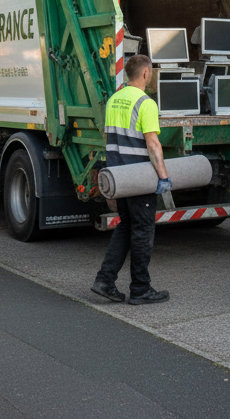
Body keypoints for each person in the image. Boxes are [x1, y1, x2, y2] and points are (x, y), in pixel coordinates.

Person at [92, 54, 173, 305]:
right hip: (138, 177)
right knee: (142, 230)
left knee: (126, 227)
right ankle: (140, 288)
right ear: (146, 74)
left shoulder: (114, 100)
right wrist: (163, 177)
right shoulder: (146, 103)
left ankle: (105, 280)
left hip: (119, 177)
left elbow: (111, 141)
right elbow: (153, 144)